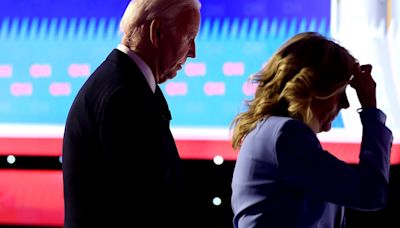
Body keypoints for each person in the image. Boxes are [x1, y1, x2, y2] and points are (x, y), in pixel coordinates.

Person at [230, 32, 393, 228]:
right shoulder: (286, 134)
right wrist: (370, 110)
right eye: (340, 94)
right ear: (314, 87)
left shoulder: (271, 133)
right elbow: (371, 193)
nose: (346, 105)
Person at [62, 0, 201, 227]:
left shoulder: (123, 83)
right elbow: (145, 205)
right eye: (189, 37)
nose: (193, 52)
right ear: (156, 31)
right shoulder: (124, 95)